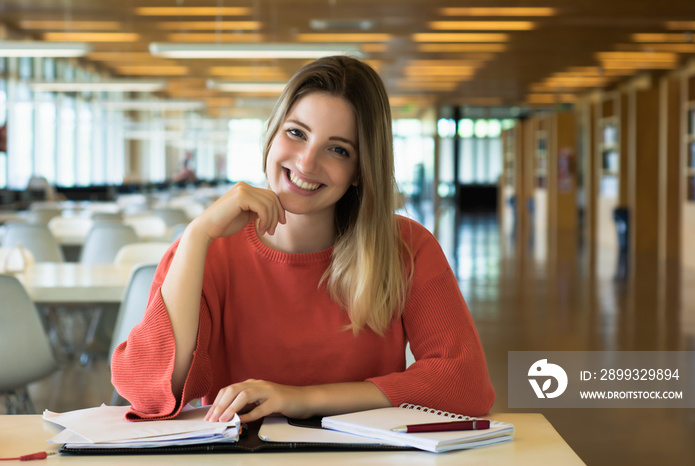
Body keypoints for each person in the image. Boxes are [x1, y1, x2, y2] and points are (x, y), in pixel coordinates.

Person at [111, 55, 495, 424]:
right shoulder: (206, 249)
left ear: (360, 171)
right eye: (296, 132)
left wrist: (302, 399)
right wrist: (196, 235)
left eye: (338, 149)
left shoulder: (405, 246)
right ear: (272, 134)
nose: (307, 163)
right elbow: (149, 394)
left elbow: (465, 384)